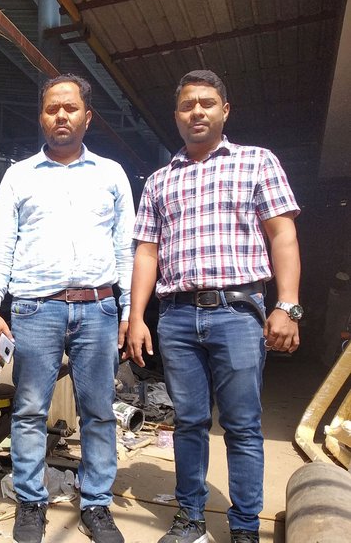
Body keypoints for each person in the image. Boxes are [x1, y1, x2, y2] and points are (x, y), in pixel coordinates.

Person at [125, 70, 301, 543]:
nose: (196, 111)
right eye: (187, 105)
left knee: (243, 425)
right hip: (178, 316)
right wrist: (137, 317)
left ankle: (244, 528)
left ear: (225, 110)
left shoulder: (256, 162)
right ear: (176, 117)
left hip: (238, 312)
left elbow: (282, 233)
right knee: (189, 421)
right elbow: (146, 252)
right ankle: (191, 520)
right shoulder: (160, 181)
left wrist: (288, 306)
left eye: (206, 103)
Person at [0, 73, 135, 543]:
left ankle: (97, 504)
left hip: (99, 309)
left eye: (70, 108)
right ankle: (31, 502)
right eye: (52, 109)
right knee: (29, 410)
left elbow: (125, 247)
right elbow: (0, 243)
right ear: (41, 116)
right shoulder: (18, 176)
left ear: (88, 116)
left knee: (99, 411)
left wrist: (128, 310)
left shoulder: (111, 174)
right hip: (33, 309)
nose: (61, 115)